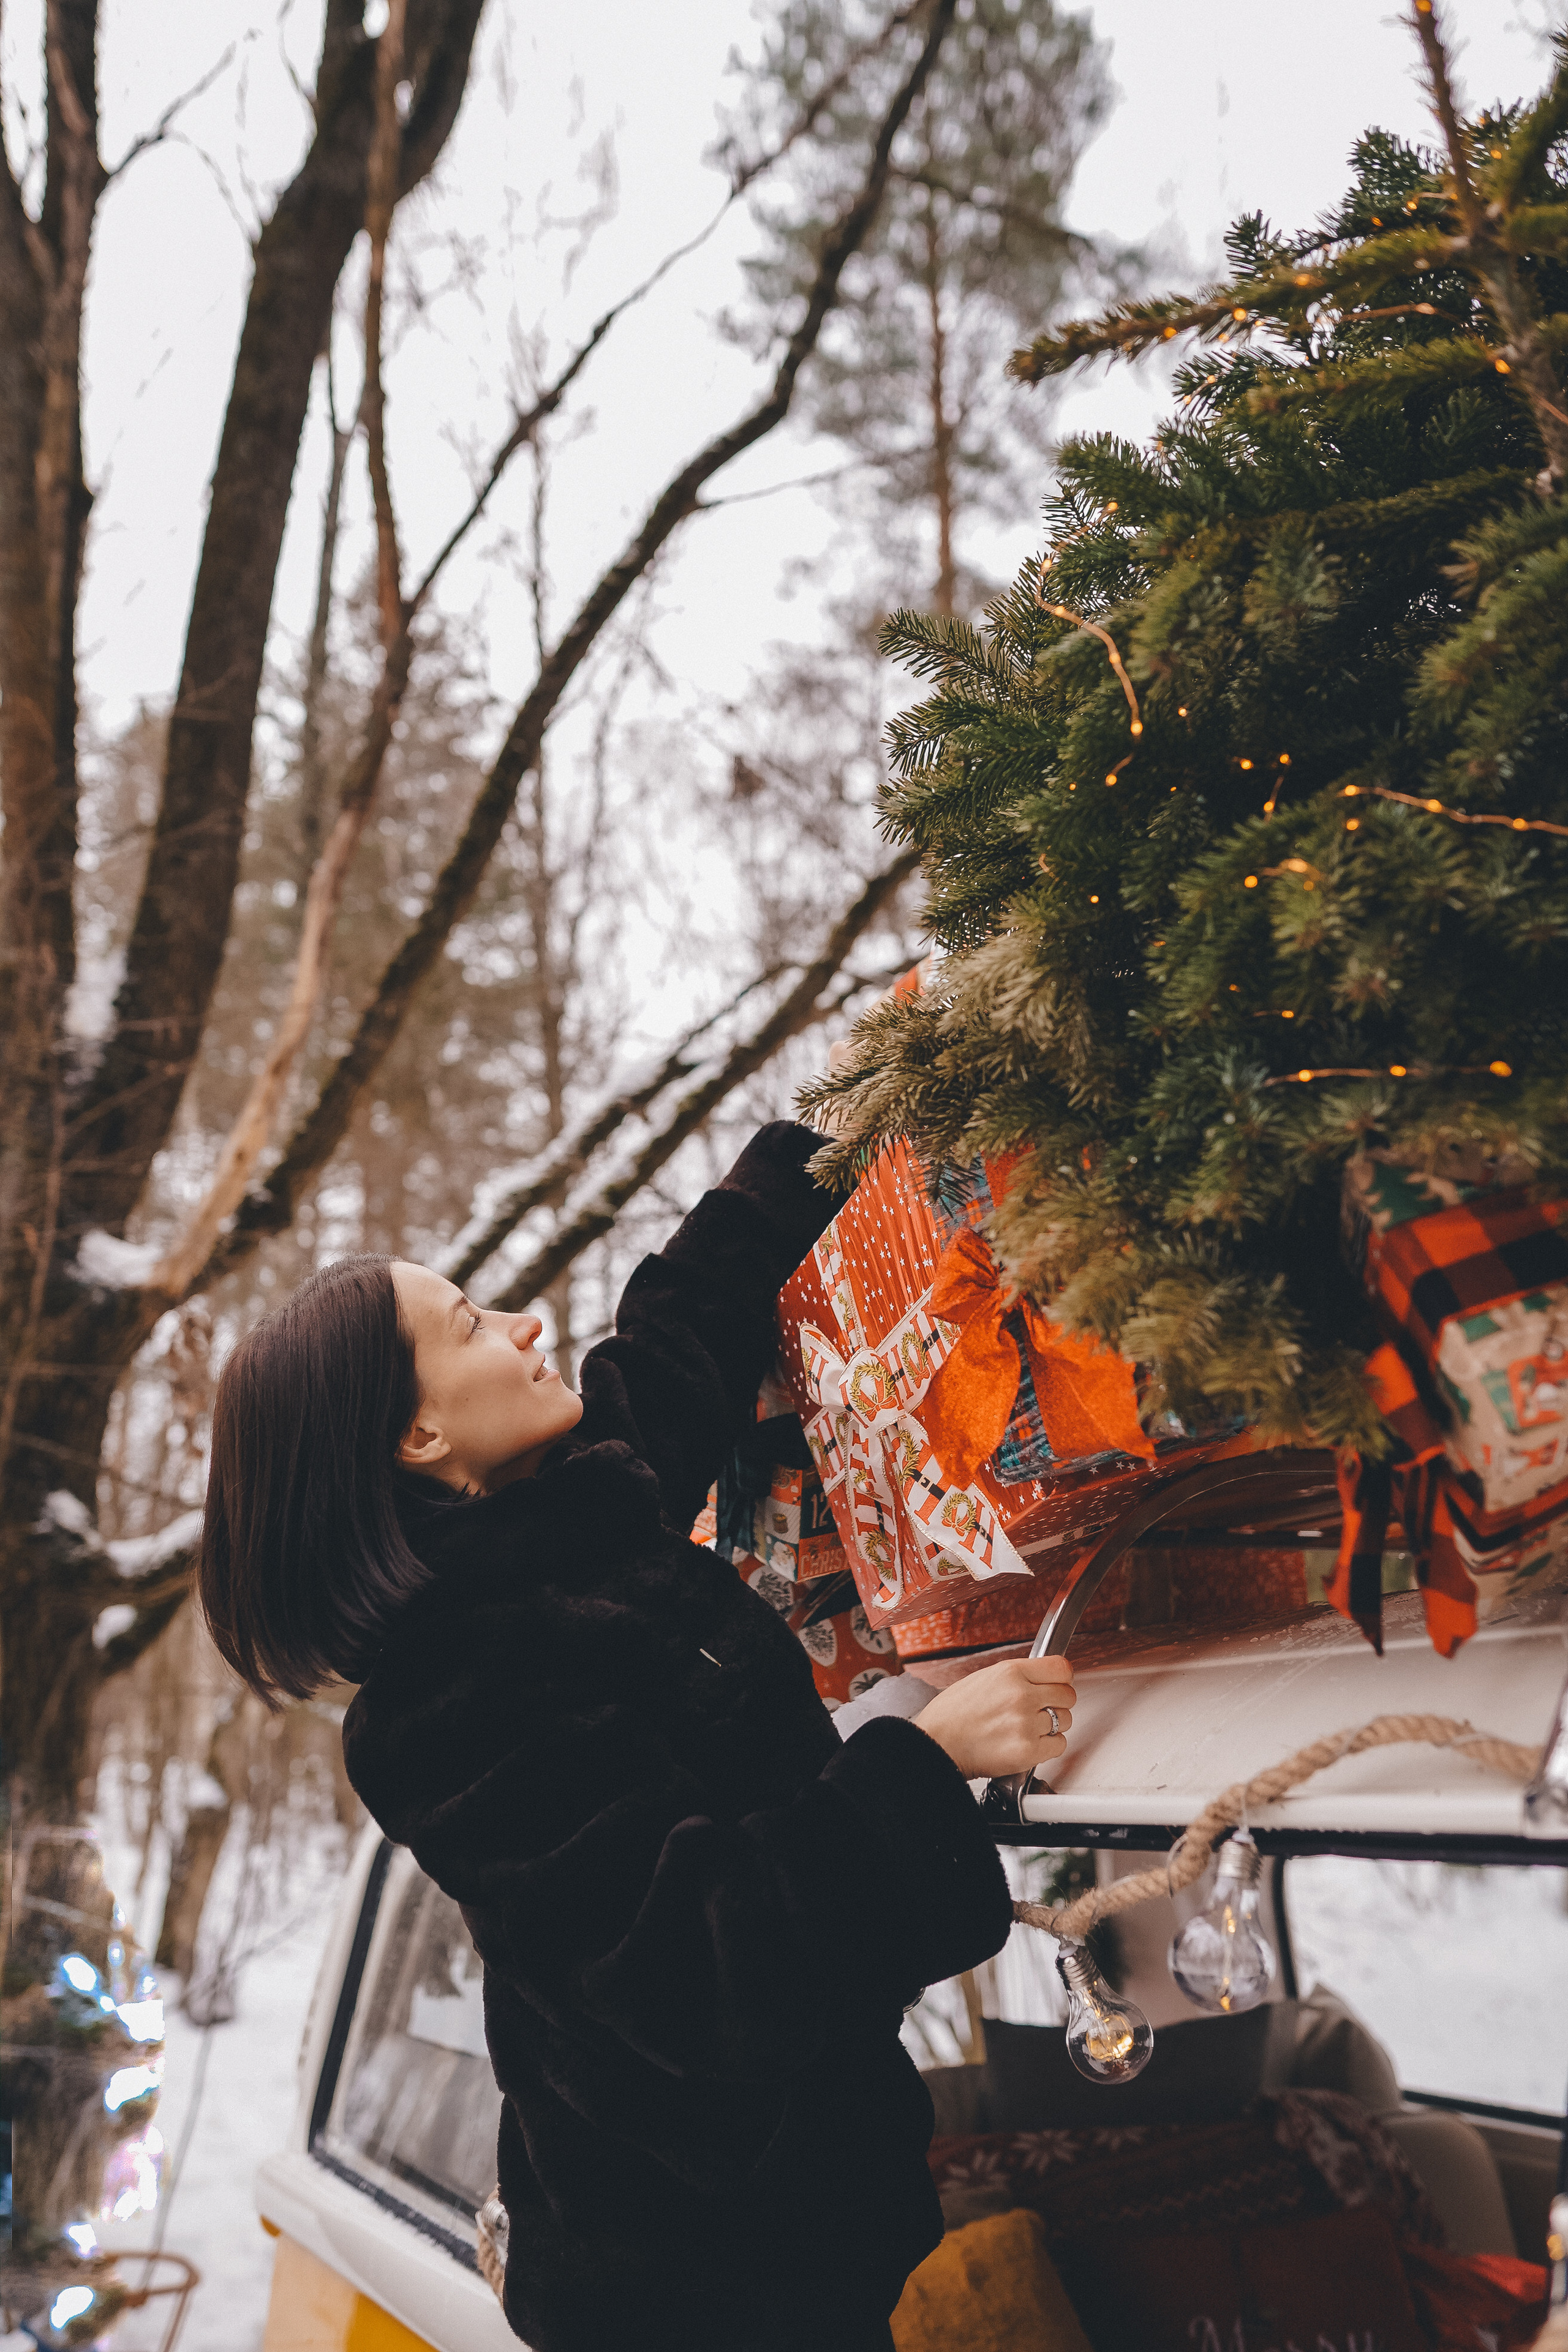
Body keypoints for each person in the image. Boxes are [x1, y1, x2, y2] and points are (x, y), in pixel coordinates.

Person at [197, 1121, 1076, 2352]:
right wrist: (919, 1764)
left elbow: (669, 1349)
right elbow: (708, 1975)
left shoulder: (572, 1530)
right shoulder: (447, 1707)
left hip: (816, 2256)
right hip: (691, 2303)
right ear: (418, 1437)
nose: (524, 1327)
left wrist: (817, 1144)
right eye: (471, 1326)